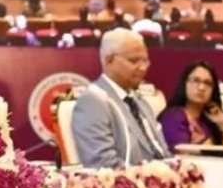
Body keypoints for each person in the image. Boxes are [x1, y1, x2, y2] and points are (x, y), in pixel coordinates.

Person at [71, 28, 170, 168]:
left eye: (146, 60)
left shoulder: (139, 101)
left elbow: (163, 152)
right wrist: (154, 177)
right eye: (134, 61)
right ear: (109, 60)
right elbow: (103, 164)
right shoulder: (92, 101)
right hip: (131, 179)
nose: (143, 67)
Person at [158, 62, 223, 148]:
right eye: (196, 80)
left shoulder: (209, 121)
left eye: (207, 83)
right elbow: (181, 153)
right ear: (185, 83)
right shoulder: (173, 116)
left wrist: (222, 126)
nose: (201, 87)